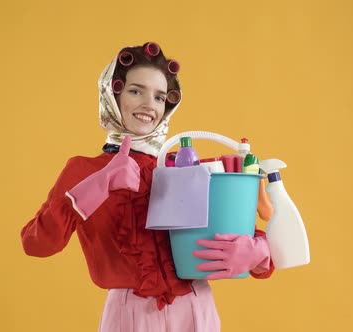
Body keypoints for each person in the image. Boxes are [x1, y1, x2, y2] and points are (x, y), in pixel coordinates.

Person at [20, 42, 274, 332]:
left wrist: (259, 252)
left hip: (196, 311)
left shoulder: (186, 167)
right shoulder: (84, 171)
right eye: (135, 90)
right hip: (128, 318)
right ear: (113, 94)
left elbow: (257, 244)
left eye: (159, 96)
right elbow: (35, 244)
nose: (148, 105)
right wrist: (98, 185)